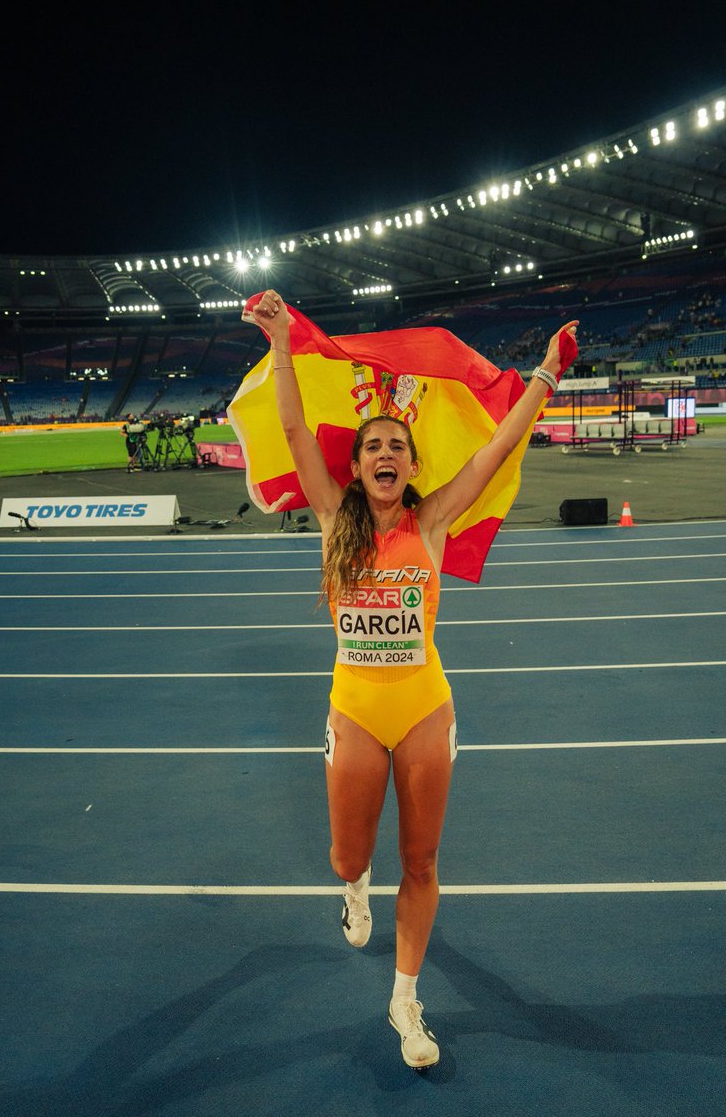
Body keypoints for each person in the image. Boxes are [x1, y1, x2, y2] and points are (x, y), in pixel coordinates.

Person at [247, 289, 578, 1070]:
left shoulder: (431, 525)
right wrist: (285, 342)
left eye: (397, 444)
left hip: (425, 709)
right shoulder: (332, 518)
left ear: (411, 461)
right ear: (356, 467)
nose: (386, 454)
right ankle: (354, 887)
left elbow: (493, 451)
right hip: (356, 713)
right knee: (346, 856)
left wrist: (545, 376)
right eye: (373, 447)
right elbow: (294, 428)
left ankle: (404, 1002)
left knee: (423, 862)